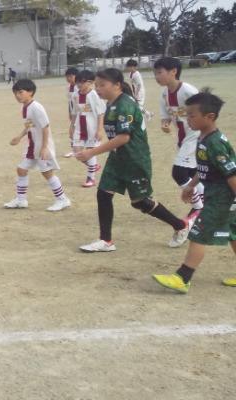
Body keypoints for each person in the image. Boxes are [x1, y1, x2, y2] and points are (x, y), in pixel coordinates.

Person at [76, 68, 190, 253]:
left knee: (140, 202)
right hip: (117, 158)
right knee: (103, 194)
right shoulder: (111, 103)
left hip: (134, 159)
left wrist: (92, 152)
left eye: (102, 85)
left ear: (117, 85)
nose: (98, 89)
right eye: (96, 85)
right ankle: (106, 241)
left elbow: (123, 137)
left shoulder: (125, 105)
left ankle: (181, 225)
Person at [153, 91, 236, 294]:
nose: (187, 119)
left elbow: (231, 174)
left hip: (222, 199)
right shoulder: (203, 138)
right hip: (218, 197)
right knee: (233, 234)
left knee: (198, 234)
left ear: (210, 117)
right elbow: (205, 167)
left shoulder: (215, 143)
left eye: (192, 115)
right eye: (187, 115)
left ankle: (182, 278)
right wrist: (191, 186)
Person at [4, 79, 71, 211]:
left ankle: (63, 199)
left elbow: (45, 127)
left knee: (47, 173)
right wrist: (19, 137)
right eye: (15, 93)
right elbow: (29, 126)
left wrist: (44, 147)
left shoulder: (36, 107)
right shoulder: (25, 107)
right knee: (21, 169)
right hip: (32, 146)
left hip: (41, 146)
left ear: (31, 92)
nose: (17, 95)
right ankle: (21, 200)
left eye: (20, 92)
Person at [154, 57, 204, 219]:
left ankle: (198, 207)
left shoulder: (188, 91)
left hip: (195, 137)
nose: (156, 76)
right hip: (182, 139)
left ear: (173, 71)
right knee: (193, 173)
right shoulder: (164, 94)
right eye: (155, 73)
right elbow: (166, 116)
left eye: (160, 72)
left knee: (179, 173)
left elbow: (205, 110)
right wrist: (165, 124)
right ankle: (205, 201)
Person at [68, 70, 105, 187]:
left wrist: (99, 130)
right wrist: (71, 126)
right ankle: (93, 166)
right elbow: (75, 112)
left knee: (90, 152)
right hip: (79, 127)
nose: (79, 85)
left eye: (82, 82)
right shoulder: (75, 95)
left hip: (92, 128)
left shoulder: (94, 95)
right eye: (78, 82)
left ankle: (91, 178)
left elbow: (100, 113)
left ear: (91, 82)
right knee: (77, 152)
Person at [63, 67, 80, 158]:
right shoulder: (68, 87)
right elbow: (70, 102)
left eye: (70, 76)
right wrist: (70, 112)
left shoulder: (79, 87)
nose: (68, 78)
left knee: (76, 131)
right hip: (73, 112)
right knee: (73, 131)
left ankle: (77, 150)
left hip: (80, 112)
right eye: (67, 77)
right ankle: (74, 150)